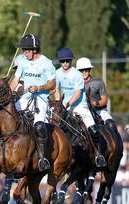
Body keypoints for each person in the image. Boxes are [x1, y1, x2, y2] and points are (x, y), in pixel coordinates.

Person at [9, 34, 56, 172]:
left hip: (41, 98)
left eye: (27, 50)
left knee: (39, 126)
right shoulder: (23, 61)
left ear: (35, 49)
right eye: (23, 50)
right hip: (25, 97)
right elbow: (15, 80)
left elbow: (52, 84)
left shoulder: (46, 63)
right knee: (7, 114)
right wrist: (9, 96)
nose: (24, 52)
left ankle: (42, 158)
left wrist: (39, 88)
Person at [56, 48, 106, 167]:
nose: (65, 64)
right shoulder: (57, 73)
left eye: (67, 61)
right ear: (60, 62)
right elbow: (56, 90)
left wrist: (67, 104)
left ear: (71, 61)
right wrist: (58, 102)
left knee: (93, 129)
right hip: (63, 105)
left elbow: (78, 93)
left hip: (79, 105)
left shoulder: (77, 74)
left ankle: (99, 155)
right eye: (63, 61)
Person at [76, 57, 119, 137]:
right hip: (81, 111)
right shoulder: (74, 83)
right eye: (81, 70)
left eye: (86, 69)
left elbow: (104, 100)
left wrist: (95, 103)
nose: (84, 72)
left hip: (98, 110)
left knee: (111, 125)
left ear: (90, 69)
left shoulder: (98, 82)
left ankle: (117, 147)